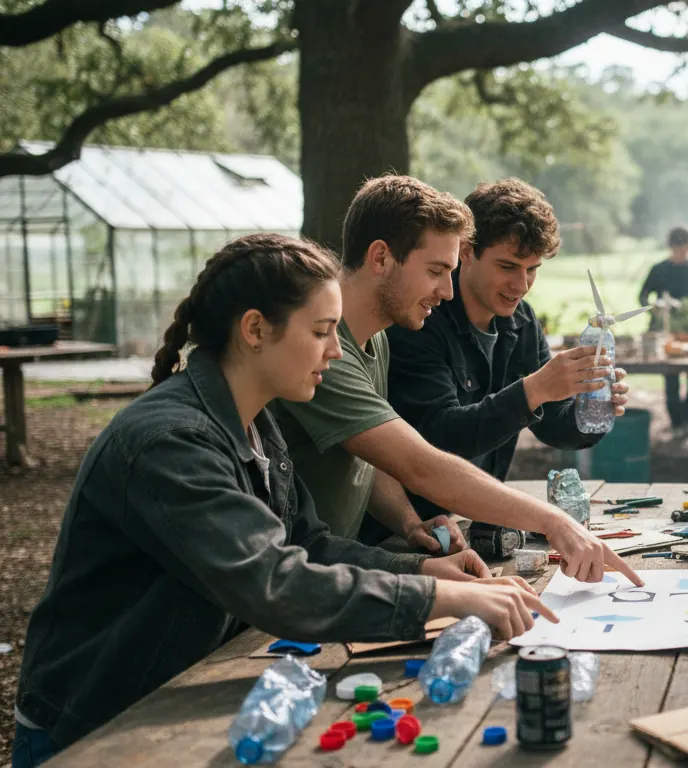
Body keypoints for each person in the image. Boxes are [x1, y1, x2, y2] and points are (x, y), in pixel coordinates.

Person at [11, 234, 557, 767]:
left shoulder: (256, 420)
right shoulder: (169, 442)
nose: (336, 350)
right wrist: (437, 599)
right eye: (322, 331)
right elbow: (271, 581)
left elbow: (307, 542)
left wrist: (422, 569)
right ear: (254, 330)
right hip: (94, 726)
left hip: (180, 695)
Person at [269, 175, 640, 586]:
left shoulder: (376, 337)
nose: (446, 291)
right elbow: (420, 461)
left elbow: (368, 456)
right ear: (379, 258)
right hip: (297, 572)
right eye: (437, 270)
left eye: (532, 270)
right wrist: (555, 521)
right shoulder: (341, 346)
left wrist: (410, 523)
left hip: (341, 558)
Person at [377, 178, 629, 544]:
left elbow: (554, 427)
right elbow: (437, 438)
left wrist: (594, 406)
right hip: (404, 530)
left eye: (532, 270)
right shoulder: (422, 317)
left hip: (476, 523)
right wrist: (535, 389)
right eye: (508, 266)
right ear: (466, 251)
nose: (521, 284)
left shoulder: (522, 320)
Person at [638, 226, 688, 437]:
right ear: (670, 247)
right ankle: (675, 422)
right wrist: (655, 308)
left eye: (684, 249)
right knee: (671, 378)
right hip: (665, 331)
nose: (681, 253)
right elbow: (643, 295)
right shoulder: (659, 269)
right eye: (677, 249)